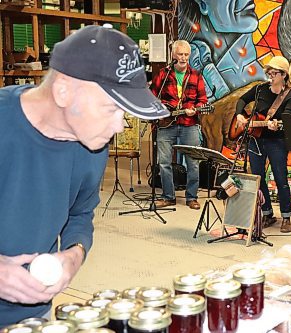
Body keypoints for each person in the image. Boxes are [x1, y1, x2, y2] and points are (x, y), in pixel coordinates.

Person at [0, 25, 169, 326]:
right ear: (63, 90)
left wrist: (73, 255)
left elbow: (80, 213)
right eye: (111, 109)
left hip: (32, 316)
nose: (120, 127)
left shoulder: (91, 143)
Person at [234, 56, 291, 233]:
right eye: (269, 72)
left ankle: (286, 216)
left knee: (280, 177)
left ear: (284, 74)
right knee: (258, 177)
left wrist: (274, 124)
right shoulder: (260, 89)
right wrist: (240, 115)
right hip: (256, 139)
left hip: (277, 140)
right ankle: (267, 213)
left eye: (274, 72)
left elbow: (286, 119)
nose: (270, 75)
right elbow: (241, 100)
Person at [150, 40, 208, 210]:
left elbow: (203, 101)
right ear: (173, 55)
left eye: (186, 55)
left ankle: (192, 197)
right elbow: (153, 97)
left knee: (193, 162)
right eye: (180, 54)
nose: (183, 58)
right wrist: (162, 110)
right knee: (164, 162)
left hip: (189, 124)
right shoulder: (164, 74)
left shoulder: (196, 76)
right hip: (166, 124)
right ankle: (168, 196)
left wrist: (194, 110)